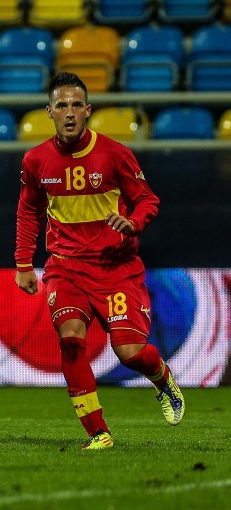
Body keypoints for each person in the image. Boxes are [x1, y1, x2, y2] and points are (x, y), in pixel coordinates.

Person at [14, 71, 185, 450]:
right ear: (49, 112)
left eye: (77, 105)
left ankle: (162, 380)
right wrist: (24, 263)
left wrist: (133, 221)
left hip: (115, 268)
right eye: (62, 105)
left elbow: (148, 200)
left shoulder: (114, 154)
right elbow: (28, 212)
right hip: (65, 267)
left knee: (130, 353)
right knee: (71, 340)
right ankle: (98, 432)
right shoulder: (36, 160)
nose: (70, 112)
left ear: (88, 110)